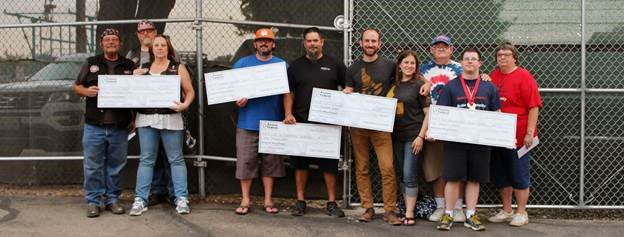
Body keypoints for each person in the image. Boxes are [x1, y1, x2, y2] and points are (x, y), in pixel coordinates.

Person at [128, 34, 195, 216]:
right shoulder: (143, 69)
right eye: (156, 45)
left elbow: (189, 92)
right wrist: (132, 78)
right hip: (146, 119)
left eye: (163, 45)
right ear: (151, 49)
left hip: (171, 119)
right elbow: (131, 93)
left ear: (168, 48)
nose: (159, 48)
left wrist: (185, 104)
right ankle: (140, 199)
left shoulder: (177, 68)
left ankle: (181, 198)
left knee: (176, 159)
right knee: (147, 159)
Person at [435, 48, 501, 231]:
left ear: (480, 63)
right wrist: (437, 131)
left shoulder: (489, 87)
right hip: (455, 142)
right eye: (467, 59)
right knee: (452, 178)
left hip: (480, 142)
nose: (470, 62)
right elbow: (442, 113)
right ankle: (448, 214)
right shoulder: (451, 86)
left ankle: (471, 214)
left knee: (474, 179)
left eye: (474, 59)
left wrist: (501, 135)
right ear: (461, 63)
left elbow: (497, 115)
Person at [343, 28, 404, 225]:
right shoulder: (352, 68)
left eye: (374, 41)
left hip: (381, 125)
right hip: (358, 125)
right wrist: (346, 93)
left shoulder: (389, 65)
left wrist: (426, 84)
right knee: (361, 168)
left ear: (380, 43)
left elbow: (409, 76)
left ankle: (390, 210)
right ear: (360, 43)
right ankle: (367, 208)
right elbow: (350, 90)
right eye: (367, 41)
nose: (370, 44)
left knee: (387, 167)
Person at [283, 27, 346, 218]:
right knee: (300, 164)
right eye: (309, 41)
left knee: (329, 165)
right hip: (301, 122)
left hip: (327, 124)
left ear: (322, 42)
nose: (312, 44)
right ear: (304, 43)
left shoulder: (335, 64)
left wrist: (342, 109)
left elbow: (346, 89)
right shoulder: (295, 66)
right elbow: (289, 92)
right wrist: (288, 113)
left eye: (315, 40)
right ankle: (300, 201)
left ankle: (332, 202)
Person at [73, 28, 135, 218]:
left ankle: (112, 199)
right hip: (95, 125)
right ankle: (93, 200)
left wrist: (133, 118)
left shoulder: (129, 65)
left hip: (119, 125)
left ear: (120, 43)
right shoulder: (91, 63)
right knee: (93, 165)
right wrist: (86, 92)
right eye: (107, 40)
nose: (110, 42)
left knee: (116, 165)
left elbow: (136, 93)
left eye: (114, 40)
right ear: (101, 43)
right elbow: (77, 86)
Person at [488, 42, 542, 227]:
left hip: (519, 136)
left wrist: (529, 133)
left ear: (514, 57)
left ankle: (521, 212)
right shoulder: (494, 75)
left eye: (506, 54)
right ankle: (507, 210)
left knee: (519, 174)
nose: (502, 57)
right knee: (501, 174)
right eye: (499, 54)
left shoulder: (524, 76)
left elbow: (534, 106)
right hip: (497, 136)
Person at [233, 28, 286, 215]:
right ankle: (245, 200)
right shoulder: (242, 64)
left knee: (271, 163)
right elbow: (232, 90)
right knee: (245, 162)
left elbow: (287, 93)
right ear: (255, 44)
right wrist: (237, 98)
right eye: (260, 41)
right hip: (247, 122)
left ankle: (268, 199)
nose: (264, 43)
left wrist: (287, 114)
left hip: (272, 122)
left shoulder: (281, 65)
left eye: (268, 41)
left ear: (273, 44)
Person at [126, 19, 174, 206]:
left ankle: (171, 192)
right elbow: (125, 83)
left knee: (170, 154)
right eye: (142, 31)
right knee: (149, 154)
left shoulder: (166, 51)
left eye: (149, 30)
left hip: (166, 112)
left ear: (156, 32)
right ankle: (155, 191)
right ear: (138, 35)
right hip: (143, 112)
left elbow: (179, 74)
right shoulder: (132, 55)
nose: (145, 33)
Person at [420, 35, 466, 222]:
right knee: (437, 168)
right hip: (432, 124)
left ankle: (457, 208)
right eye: (437, 46)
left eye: (444, 46)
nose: (440, 49)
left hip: (456, 125)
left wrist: (485, 75)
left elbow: (474, 83)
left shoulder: (460, 69)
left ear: (451, 49)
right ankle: (440, 207)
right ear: (431, 50)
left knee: (457, 168)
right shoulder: (423, 70)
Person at [388, 50, 430, 226]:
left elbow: (428, 113)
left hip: (413, 137)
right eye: (406, 62)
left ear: (416, 66)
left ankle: (410, 213)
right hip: (396, 136)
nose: (409, 66)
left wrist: (421, 137)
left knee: (409, 174)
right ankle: (406, 209)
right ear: (399, 65)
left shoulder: (419, 85)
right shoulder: (393, 85)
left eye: (412, 63)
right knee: (402, 175)